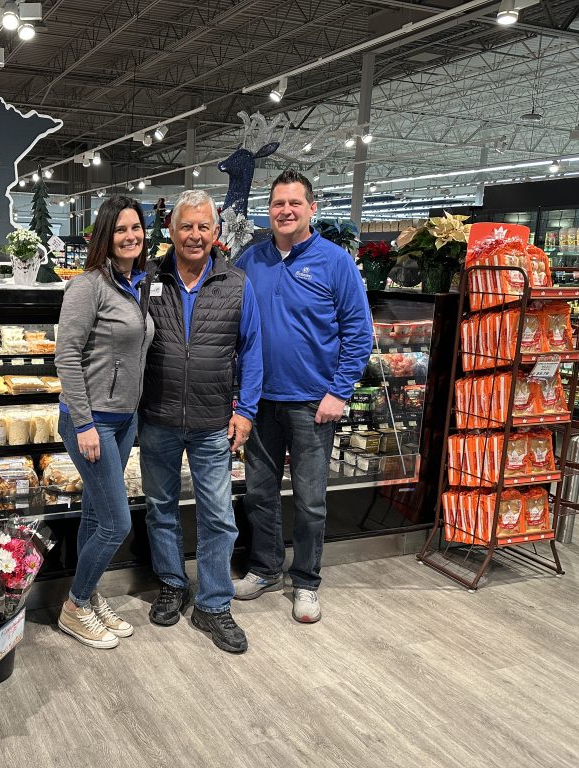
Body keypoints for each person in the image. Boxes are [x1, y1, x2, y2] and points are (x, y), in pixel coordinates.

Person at [233, 168, 373, 623]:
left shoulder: (336, 262)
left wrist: (339, 390)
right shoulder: (249, 262)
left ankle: (307, 581)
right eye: (277, 203)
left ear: (312, 208)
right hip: (259, 402)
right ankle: (265, 567)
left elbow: (359, 331)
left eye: (294, 203)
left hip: (314, 403)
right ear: (268, 210)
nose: (285, 211)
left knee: (311, 499)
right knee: (259, 493)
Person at [138, 189, 262, 654]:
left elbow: (252, 350)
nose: (194, 235)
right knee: (161, 509)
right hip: (158, 417)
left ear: (216, 232)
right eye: (186, 226)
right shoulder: (149, 278)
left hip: (214, 422)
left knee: (219, 516)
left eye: (203, 227)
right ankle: (173, 583)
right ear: (171, 230)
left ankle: (213, 604)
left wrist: (245, 411)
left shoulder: (237, 283)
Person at [54, 195, 154, 649]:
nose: (130, 236)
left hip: (125, 418)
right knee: (118, 523)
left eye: (136, 228)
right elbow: (67, 356)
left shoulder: (137, 284)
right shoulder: (87, 286)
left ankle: (90, 595)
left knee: (96, 517)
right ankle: (74, 605)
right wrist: (85, 423)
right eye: (120, 229)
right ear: (104, 236)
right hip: (92, 421)